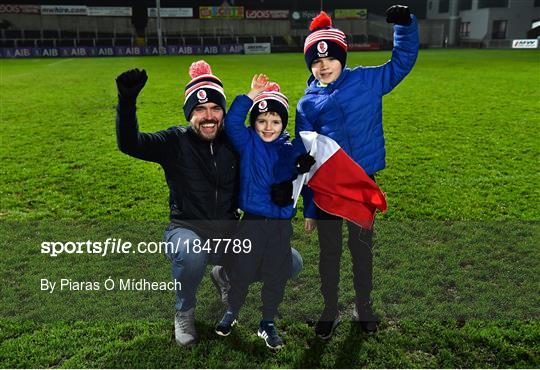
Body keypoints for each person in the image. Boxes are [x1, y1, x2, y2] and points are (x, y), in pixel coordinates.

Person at [114, 61, 303, 347]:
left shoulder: (234, 142)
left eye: (215, 109)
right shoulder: (174, 141)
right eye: (200, 110)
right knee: (191, 254)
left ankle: (225, 274)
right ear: (190, 113)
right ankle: (184, 310)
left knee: (291, 262)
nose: (208, 116)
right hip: (186, 230)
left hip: (231, 235)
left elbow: (270, 151)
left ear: (223, 113)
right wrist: (127, 101)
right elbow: (130, 143)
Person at [294, 5, 419, 339]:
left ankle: (364, 306)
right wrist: (308, 207)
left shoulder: (366, 80)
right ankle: (329, 308)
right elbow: (305, 161)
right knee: (329, 252)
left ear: (342, 56)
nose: (324, 66)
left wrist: (405, 27)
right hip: (327, 191)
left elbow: (401, 64)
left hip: (362, 183)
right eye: (316, 62)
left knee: (362, 249)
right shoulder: (306, 105)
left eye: (330, 59)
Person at [213, 74, 301, 350]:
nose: (268, 126)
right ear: (255, 122)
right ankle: (232, 311)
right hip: (251, 221)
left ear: (284, 124)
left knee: (276, 273)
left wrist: (299, 170)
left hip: (279, 225)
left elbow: (297, 187)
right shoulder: (248, 141)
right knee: (242, 269)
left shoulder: (289, 149)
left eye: (275, 121)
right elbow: (231, 123)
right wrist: (252, 95)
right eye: (262, 120)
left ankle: (268, 321)